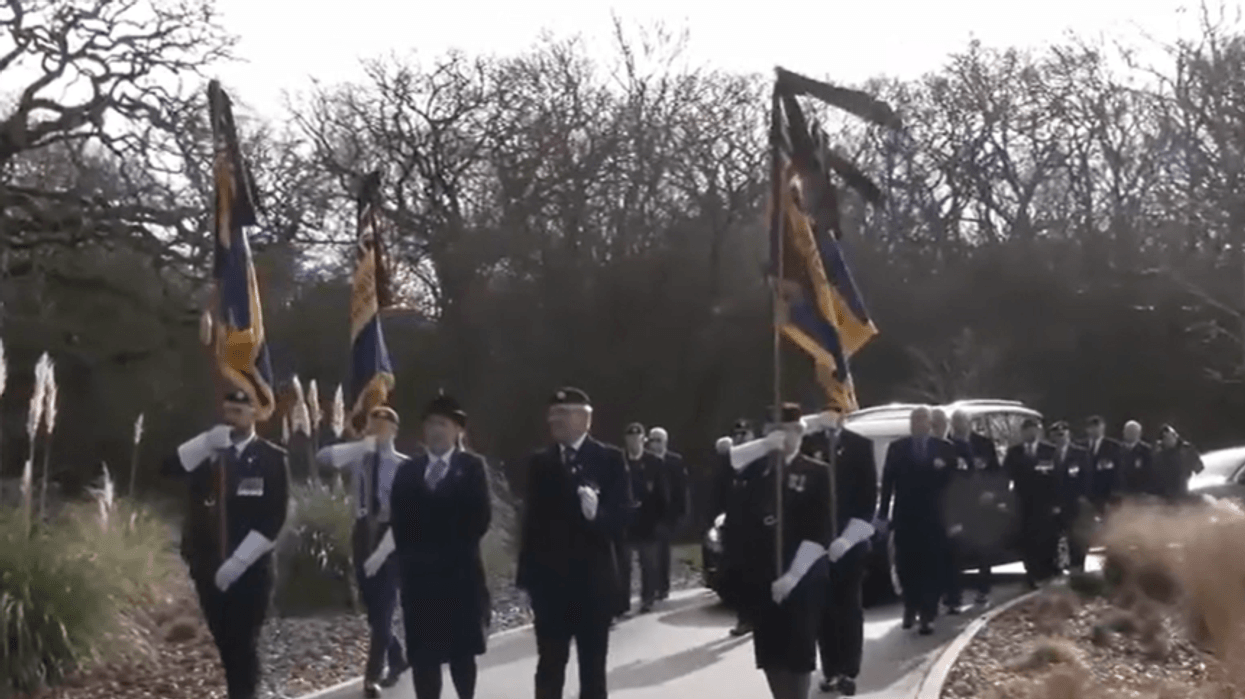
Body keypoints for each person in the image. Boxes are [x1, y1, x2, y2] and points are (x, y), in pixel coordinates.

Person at [163, 390, 290, 699]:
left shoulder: (272, 458)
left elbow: (274, 516)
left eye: (239, 411)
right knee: (225, 643)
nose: (231, 417)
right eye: (227, 410)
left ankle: (243, 694)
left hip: (251, 568)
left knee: (244, 642)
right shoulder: (209, 454)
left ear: (254, 414)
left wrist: (239, 562)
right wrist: (204, 443)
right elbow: (167, 469)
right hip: (207, 565)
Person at [516, 388, 631, 699]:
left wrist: (598, 515)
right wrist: (526, 581)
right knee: (550, 666)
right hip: (551, 587)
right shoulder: (540, 463)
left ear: (585, 418)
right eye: (552, 415)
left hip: (593, 583)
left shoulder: (609, 459)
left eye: (563, 414)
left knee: (592, 670)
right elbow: (531, 525)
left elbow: (622, 518)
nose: (555, 421)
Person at [386, 393, 491, 699]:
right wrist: (416, 560)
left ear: (458, 430)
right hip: (420, 581)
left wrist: (444, 543)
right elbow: (400, 521)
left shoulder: (472, 468)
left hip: (461, 578)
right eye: (430, 424)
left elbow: (479, 519)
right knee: (424, 659)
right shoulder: (409, 471)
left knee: (462, 655)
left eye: (442, 424)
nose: (435, 430)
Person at [724, 403, 831, 699]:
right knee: (770, 654)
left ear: (798, 432)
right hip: (762, 576)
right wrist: (758, 450)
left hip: (802, 576)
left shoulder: (817, 472)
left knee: (798, 655)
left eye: (784, 431)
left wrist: (793, 576)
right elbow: (726, 475)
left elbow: (820, 531)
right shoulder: (756, 472)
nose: (779, 438)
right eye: (772, 432)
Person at [315, 406, 411, 697]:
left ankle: (372, 677)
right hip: (362, 533)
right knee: (372, 610)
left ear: (394, 430)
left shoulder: (404, 466)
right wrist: (362, 445)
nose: (375, 430)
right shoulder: (359, 458)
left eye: (381, 426)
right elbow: (323, 458)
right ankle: (397, 657)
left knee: (384, 609)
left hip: (391, 537)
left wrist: (383, 552)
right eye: (371, 424)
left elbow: (406, 515)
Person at [802, 411, 877, 697]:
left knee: (849, 607)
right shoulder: (810, 444)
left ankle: (849, 670)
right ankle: (830, 669)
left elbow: (868, 499)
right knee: (823, 609)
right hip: (818, 544)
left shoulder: (860, 445)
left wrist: (849, 538)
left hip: (851, 542)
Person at [878, 406, 955, 635]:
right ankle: (911, 605)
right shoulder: (897, 448)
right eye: (914, 420)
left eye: (922, 420)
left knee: (931, 567)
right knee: (906, 566)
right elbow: (887, 482)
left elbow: (954, 486)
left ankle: (928, 614)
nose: (918, 424)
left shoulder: (944, 449)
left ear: (930, 424)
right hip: (905, 517)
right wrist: (883, 514)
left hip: (934, 518)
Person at [941, 409, 1004, 610]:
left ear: (969, 423)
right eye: (956, 422)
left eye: (963, 422)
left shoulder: (984, 445)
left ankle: (983, 590)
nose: (959, 426)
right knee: (955, 553)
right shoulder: (946, 445)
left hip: (982, 506)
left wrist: (994, 494)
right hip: (958, 507)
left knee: (983, 551)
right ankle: (954, 597)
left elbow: (997, 474)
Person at [1004, 418, 1064, 589]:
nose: (1031, 433)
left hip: (1045, 503)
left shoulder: (1050, 451)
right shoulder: (1014, 453)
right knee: (1027, 542)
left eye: (1035, 430)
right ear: (1022, 433)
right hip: (1023, 504)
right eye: (1028, 430)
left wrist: (1057, 503)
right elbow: (1005, 477)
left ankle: (1048, 573)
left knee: (1047, 540)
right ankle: (1032, 575)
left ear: (1039, 431)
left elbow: (1058, 478)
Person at [715, 419, 758, 637]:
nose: (741, 438)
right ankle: (744, 618)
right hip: (733, 526)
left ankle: (757, 617)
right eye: (737, 434)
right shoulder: (727, 463)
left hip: (757, 528)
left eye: (745, 433)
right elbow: (718, 495)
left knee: (757, 575)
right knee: (738, 575)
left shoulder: (760, 461)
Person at [622, 422, 667, 615]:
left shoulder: (654, 463)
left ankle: (647, 598)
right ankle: (621, 603)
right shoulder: (619, 460)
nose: (634, 442)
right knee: (623, 565)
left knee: (648, 563)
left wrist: (660, 520)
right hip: (625, 522)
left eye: (637, 438)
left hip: (648, 522)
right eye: (630, 438)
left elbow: (662, 494)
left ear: (643, 440)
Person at [648, 426, 688, 601]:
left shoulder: (675, 461)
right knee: (649, 554)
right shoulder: (645, 460)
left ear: (665, 442)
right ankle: (650, 588)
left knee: (662, 552)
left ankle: (662, 587)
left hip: (667, 514)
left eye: (659, 440)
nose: (655, 444)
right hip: (648, 514)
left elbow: (681, 488)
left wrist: (681, 512)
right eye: (653, 440)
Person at [1048, 421, 1091, 573]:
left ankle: (1077, 567)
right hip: (1054, 502)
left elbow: (1086, 477)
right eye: (1057, 435)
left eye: (1063, 434)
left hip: (1074, 502)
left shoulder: (1080, 453)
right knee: (1054, 538)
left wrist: (1083, 497)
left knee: (1076, 538)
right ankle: (1056, 567)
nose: (1060, 438)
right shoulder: (1048, 453)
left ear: (1068, 435)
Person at [1152, 424, 1204, 503]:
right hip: (1164, 497)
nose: (1170, 440)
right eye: (1166, 438)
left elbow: (1199, 469)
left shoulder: (1187, 450)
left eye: (1171, 436)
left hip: (1184, 492)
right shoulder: (1157, 454)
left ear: (1176, 436)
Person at [1083, 416, 1124, 511]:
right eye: (1092, 427)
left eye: (1098, 426)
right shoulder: (1080, 446)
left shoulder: (1113, 446)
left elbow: (1118, 471)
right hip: (1085, 495)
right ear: (1087, 429)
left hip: (1106, 494)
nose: (1095, 429)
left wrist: (1114, 494)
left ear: (1103, 428)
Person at [1119, 420, 1155, 498]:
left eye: (1133, 431)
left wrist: (1147, 490)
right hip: (1120, 491)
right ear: (1123, 432)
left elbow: (1151, 472)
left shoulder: (1146, 451)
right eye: (1128, 431)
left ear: (1139, 433)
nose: (1130, 433)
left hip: (1139, 493)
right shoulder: (1117, 449)